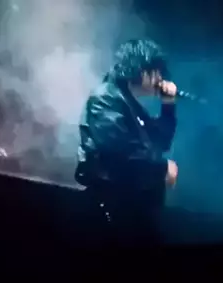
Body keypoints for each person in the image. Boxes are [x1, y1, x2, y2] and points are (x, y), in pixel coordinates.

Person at [75, 39, 179, 245]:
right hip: (111, 212)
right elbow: (119, 152)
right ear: (138, 68)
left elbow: (160, 143)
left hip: (132, 210)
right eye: (155, 71)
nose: (159, 78)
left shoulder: (128, 103)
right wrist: (161, 169)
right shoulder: (105, 99)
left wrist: (168, 106)